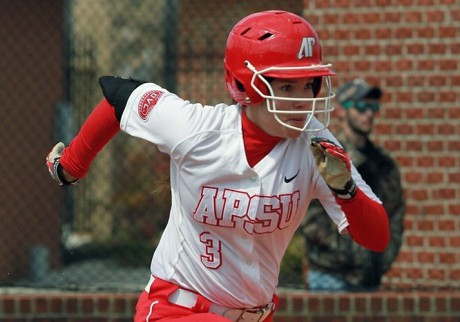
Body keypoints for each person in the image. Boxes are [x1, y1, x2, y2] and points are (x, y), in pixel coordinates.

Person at [45, 11, 390, 322]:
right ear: (244, 84)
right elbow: (119, 96)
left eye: (308, 84)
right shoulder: (197, 129)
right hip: (177, 311)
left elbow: (376, 238)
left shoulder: (316, 142)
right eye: (286, 86)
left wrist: (346, 191)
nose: (302, 100)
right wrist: (72, 165)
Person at [301, 78, 406, 292]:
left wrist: (380, 258)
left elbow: (394, 215)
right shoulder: (325, 155)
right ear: (341, 111)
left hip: (369, 278)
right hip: (329, 275)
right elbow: (309, 219)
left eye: (373, 107)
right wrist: (350, 253)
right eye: (360, 106)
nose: (368, 113)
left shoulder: (383, 164)